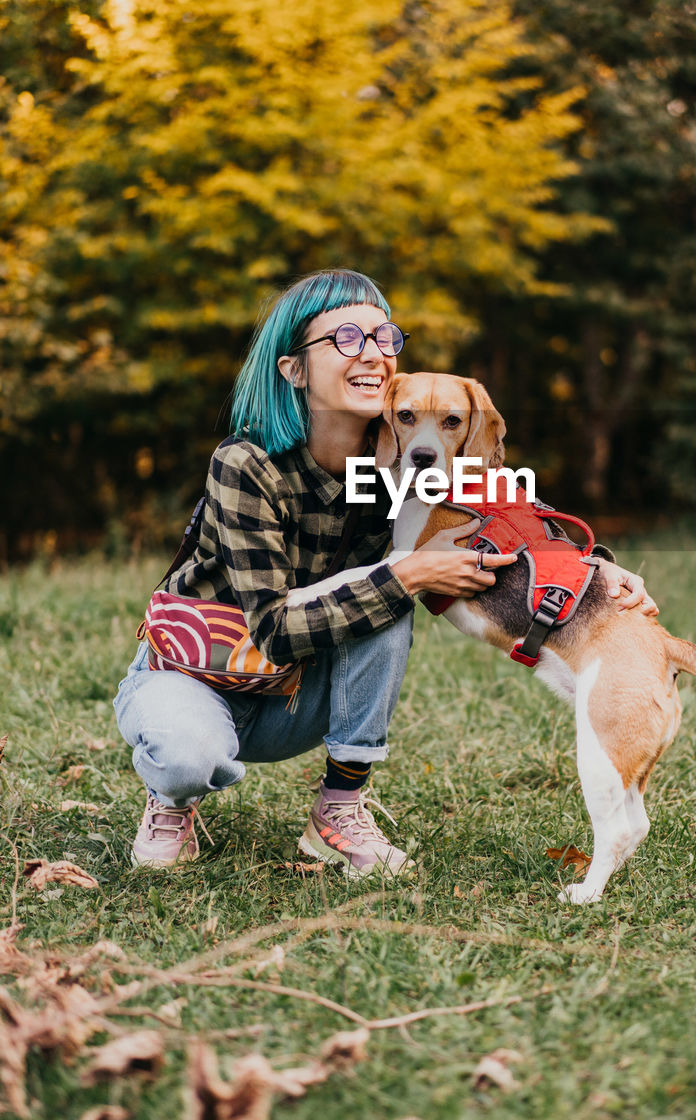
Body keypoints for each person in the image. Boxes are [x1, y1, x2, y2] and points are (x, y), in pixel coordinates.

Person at [114, 269, 656, 878]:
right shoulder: (246, 464)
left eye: (384, 338)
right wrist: (411, 572)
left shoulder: (405, 455)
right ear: (293, 369)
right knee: (192, 753)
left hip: (292, 694)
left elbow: (507, 512)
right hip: (200, 672)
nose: (373, 353)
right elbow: (272, 628)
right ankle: (172, 802)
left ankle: (338, 810)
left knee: (390, 592)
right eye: (347, 338)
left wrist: (597, 574)